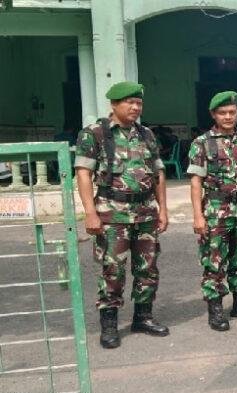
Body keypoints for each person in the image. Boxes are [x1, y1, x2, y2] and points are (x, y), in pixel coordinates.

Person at [74, 81, 169, 349]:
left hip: (145, 213)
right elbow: (83, 174)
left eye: (139, 103)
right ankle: (109, 324)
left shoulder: (146, 134)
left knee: (147, 267)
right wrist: (90, 213)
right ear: (114, 104)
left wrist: (163, 209)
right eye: (130, 102)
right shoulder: (95, 134)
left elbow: (158, 174)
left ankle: (143, 317)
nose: (135, 107)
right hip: (112, 214)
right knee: (112, 270)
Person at [186, 91, 237, 332]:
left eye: (232, 112)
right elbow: (196, 182)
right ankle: (215, 309)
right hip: (216, 212)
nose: (228, 116)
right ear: (214, 115)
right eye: (222, 113)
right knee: (214, 262)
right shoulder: (202, 143)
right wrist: (198, 216)